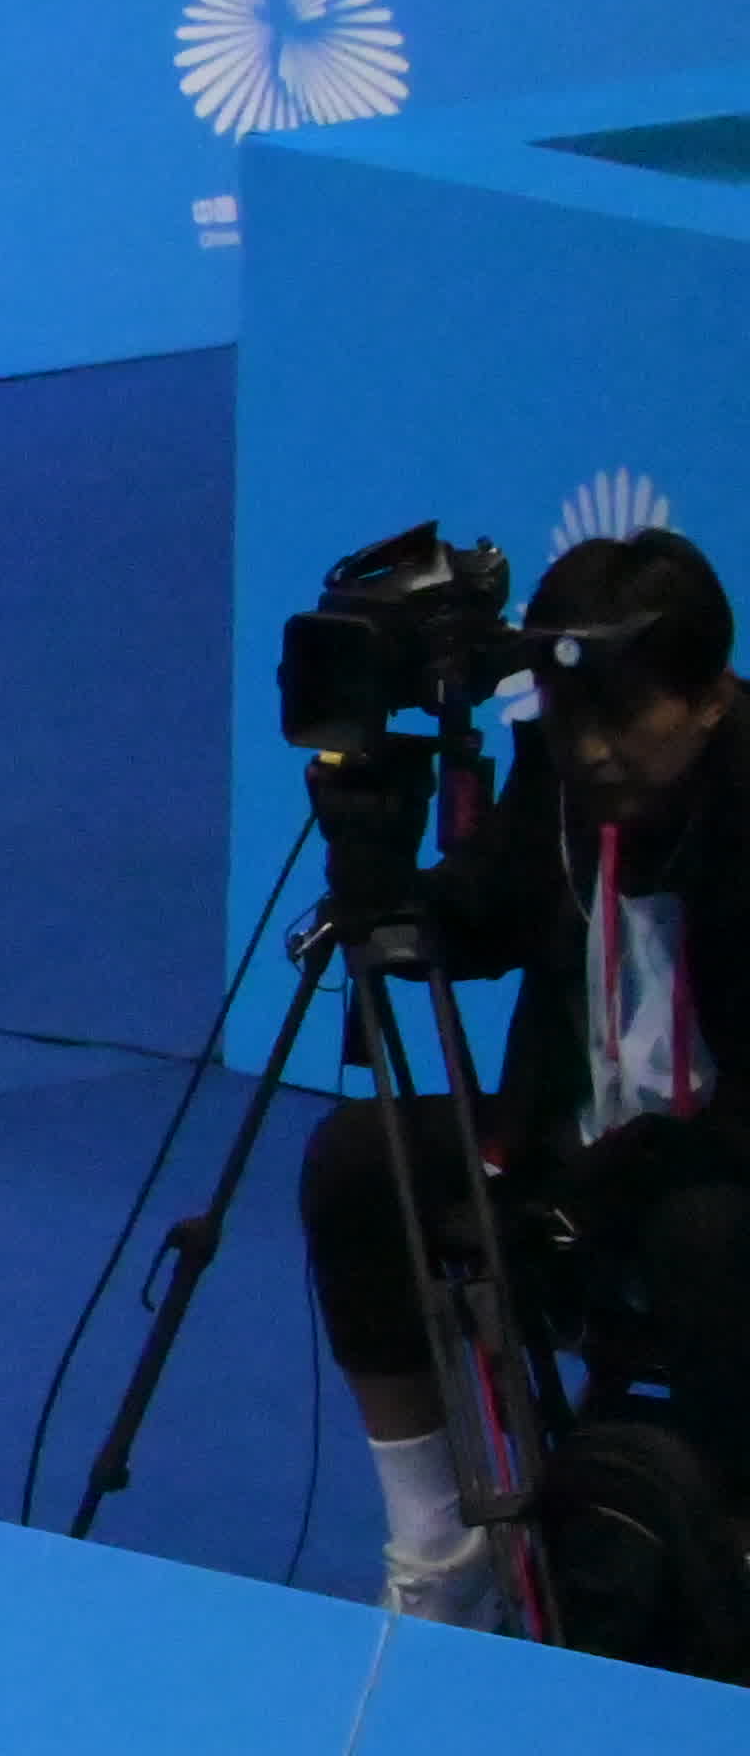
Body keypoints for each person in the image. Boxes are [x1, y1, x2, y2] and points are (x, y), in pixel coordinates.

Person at [298, 529, 750, 1623]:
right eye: (569, 716)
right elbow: (483, 913)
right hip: (580, 1146)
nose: (592, 750)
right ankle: (440, 1549)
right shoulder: (567, 771)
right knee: (360, 1160)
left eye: (623, 719)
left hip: (719, 1167)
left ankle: (732, 1562)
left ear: (708, 700)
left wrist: (616, 1183)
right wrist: (378, 876)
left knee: (706, 1236)